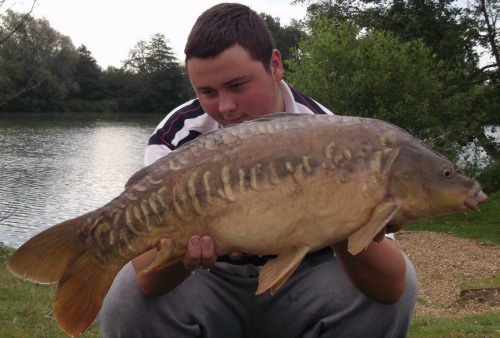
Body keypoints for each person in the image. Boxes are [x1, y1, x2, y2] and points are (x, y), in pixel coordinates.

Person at [96, 3, 418, 337]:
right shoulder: (179, 133)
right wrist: (182, 256)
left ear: (275, 65)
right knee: (127, 293)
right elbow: (148, 279)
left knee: (400, 286)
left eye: (237, 85)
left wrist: (338, 220)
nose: (225, 106)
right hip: (207, 280)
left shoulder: (334, 135)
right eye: (207, 91)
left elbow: (391, 286)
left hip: (306, 280)